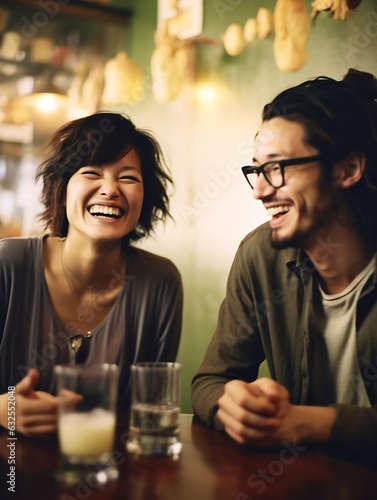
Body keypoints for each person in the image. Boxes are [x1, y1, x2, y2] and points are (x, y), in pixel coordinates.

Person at [191, 68, 377, 462]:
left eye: (277, 168)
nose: (259, 190)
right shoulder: (261, 256)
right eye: (257, 170)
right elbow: (211, 379)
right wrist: (236, 405)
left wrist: (312, 423)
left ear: (348, 170)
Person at [0, 112, 183, 437]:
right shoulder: (8, 264)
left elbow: (151, 410)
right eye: (91, 173)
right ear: (63, 188)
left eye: (128, 178)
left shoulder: (161, 282)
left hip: (107, 474)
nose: (110, 189)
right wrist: (5, 408)